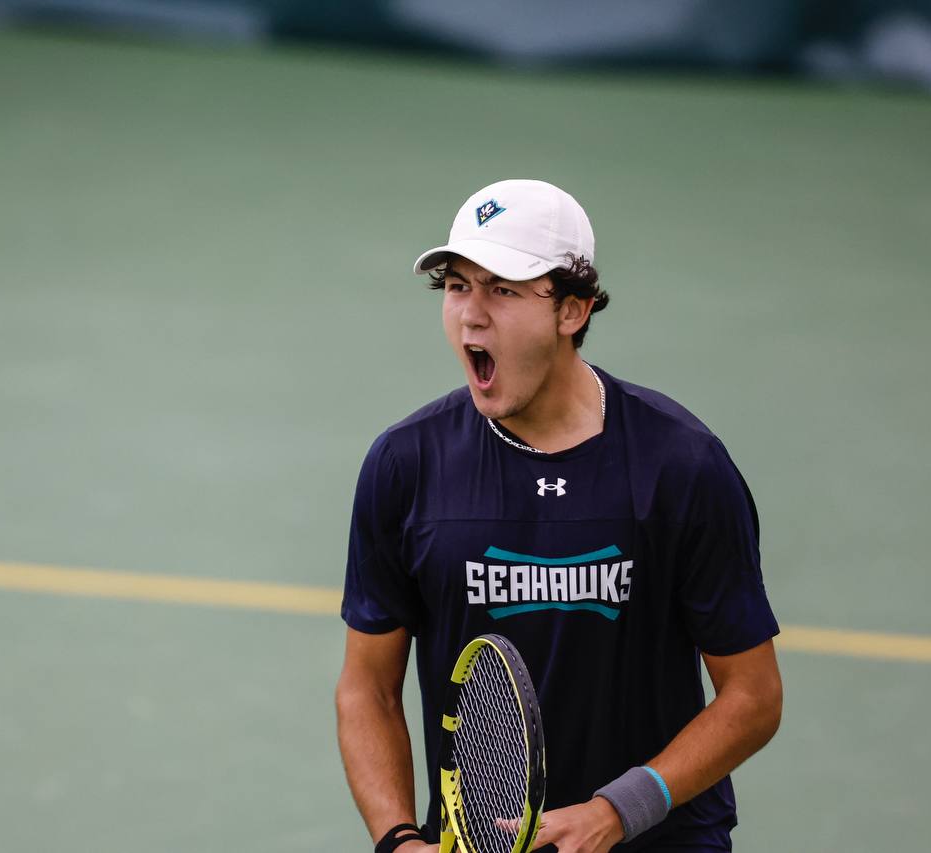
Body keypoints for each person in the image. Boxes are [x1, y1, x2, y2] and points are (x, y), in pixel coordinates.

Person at [335, 179, 783, 853]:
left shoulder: (679, 465)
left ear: (572, 310)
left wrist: (619, 809)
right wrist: (398, 838)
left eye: (502, 290)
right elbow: (367, 689)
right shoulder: (407, 464)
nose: (470, 316)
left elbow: (754, 696)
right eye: (457, 286)